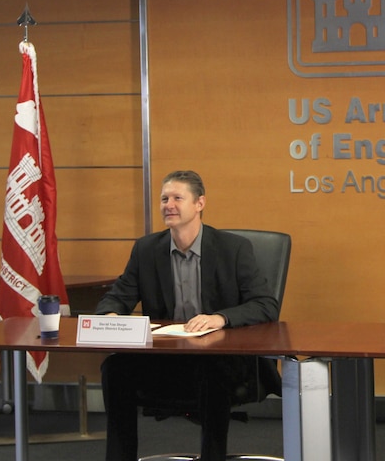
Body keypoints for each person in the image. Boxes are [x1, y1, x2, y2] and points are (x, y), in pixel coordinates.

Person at [95, 170, 280, 461]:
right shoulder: (146, 250)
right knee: (115, 368)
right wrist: (111, 314)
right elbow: (118, 297)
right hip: (165, 359)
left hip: (222, 361)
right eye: (164, 198)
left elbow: (265, 304)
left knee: (212, 369)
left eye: (178, 198)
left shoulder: (233, 249)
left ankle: (213, 456)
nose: (169, 204)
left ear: (200, 203)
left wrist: (220, 318)